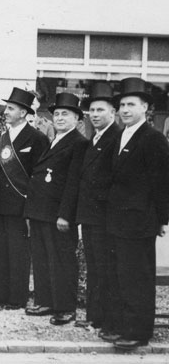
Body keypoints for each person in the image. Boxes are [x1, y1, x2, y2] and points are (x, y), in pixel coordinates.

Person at [105, 78, 169, 350]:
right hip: (118, 219)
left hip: (139, 219)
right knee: (121, 275)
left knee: (138, 277)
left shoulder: (153, 139)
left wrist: (162, 219)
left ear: (145, 108)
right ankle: (122, 326)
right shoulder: (120, 135)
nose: (125, 110)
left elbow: (162, 182)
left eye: (131, 104)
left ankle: (138, 332)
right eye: (122, 105)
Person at [23, 92, 88, 326]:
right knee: (42, 259)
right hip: (40, 211)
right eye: (57, 114)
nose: (59, 118)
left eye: (65, 114)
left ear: (77, 119)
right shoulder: (55, 139)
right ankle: (45, 301)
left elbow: (73, 183)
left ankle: (65, 307)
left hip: (57, 215)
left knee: (61, 261)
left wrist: (65, 215)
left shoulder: (78, 143)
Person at [0, 88, 49, 311]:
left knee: (18, 252)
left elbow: (38, 176)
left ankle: (16, 298)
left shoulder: (37, 138)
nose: (6, 112)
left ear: (23, 113)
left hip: (22, 205)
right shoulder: (2, 137)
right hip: (1, 204)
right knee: (0, 252)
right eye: (7, 107)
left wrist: (32, 206)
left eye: (11, 108)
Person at [67, 83, 121, 333]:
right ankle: (94, 316)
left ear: (113, 112)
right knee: (95, 267)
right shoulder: (95, 138)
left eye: (101, 110)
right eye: (92, 111)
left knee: (105, 269)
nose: (95, 115)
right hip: (90, 216)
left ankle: (105, 319)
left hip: (104, 217)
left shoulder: (116, 138)